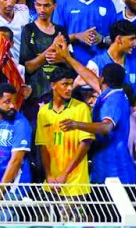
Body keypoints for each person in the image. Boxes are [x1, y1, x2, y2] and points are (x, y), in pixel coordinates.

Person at [36, 66, 95, 200]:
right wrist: (49, 175)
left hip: (75, 185)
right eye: (64, 84)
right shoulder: (43, 112)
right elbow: (42, 145)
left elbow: (85, 144)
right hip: (51, 184)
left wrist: (64, 174)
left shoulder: (81, 108)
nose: (69, 88)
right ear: (53, 85)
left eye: (71, 84)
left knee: (74, 221)